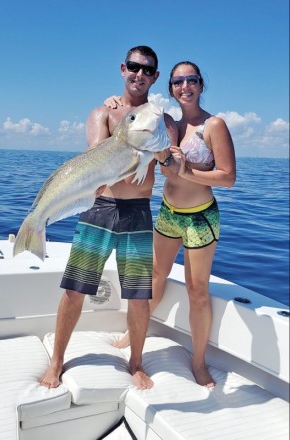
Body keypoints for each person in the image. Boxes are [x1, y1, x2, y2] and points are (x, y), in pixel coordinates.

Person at [40, 46, 178, 390]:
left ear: (156, 77)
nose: (140, 74)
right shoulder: (103, 113)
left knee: (139, 296)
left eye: (147, 70)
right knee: (75, 291)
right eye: (134, 67)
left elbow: (172, 168)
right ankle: (56, 361)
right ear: (122, 69)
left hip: (139, 213)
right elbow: (95, 159)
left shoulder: (164, 121)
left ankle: (136, 363)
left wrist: (164, 155)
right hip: (99, 210)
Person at [105, 60, 236, 388]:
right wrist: (116, 103)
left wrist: (186, 172)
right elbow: (141, 129)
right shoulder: (171, 125)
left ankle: (198, 361)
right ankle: (132, 335)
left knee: (197, 290)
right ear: (171, 88)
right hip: (167, 213)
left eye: (191, 80)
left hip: (200, 217)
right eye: (178, 82)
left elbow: (228, 177)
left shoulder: (213, 125)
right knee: (155, 277)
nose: (185, 86)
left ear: (201, 85)